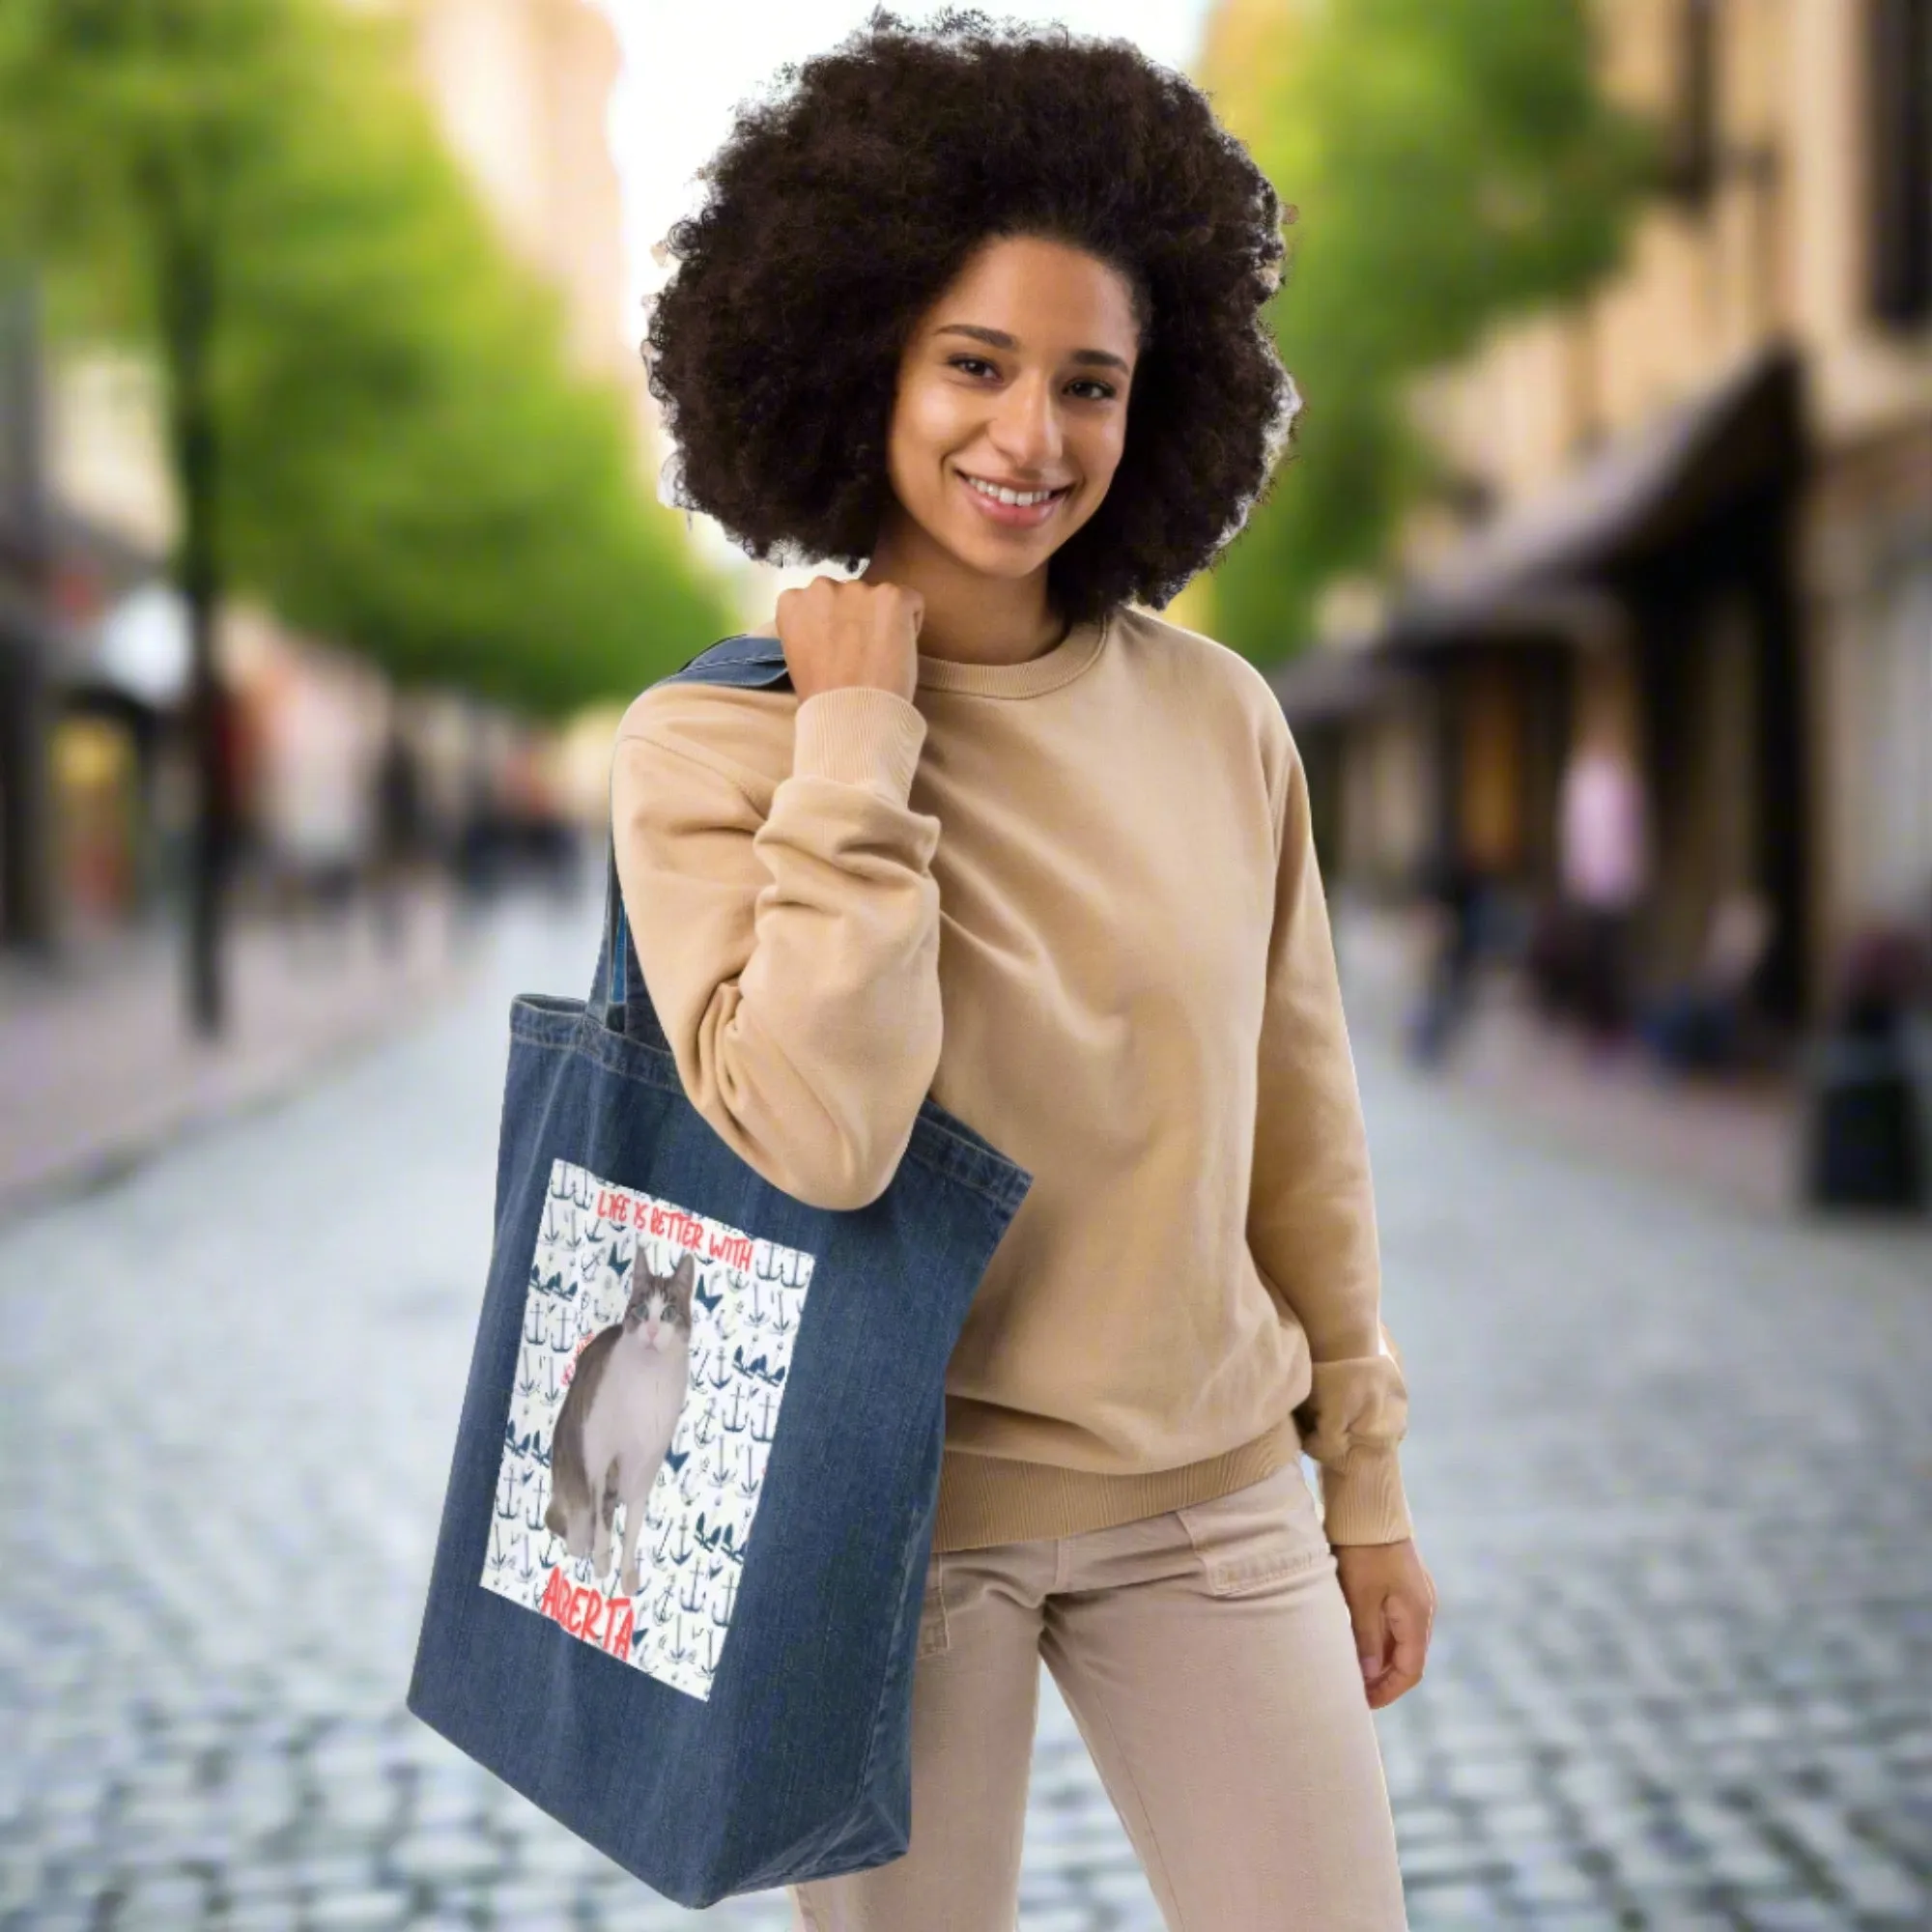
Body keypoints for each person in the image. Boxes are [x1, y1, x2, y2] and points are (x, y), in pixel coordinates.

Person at [616, 15, 1433, 1928]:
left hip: (1212, 1498)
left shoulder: (1222, 721)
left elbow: (1301, 1132)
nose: (1032, 437)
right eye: (975, 364)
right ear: (859, 355)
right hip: (883, 1532)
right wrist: (855, 747)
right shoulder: (709, 751)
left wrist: (1365, 1481)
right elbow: (818, 1133)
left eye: (1092, 382)